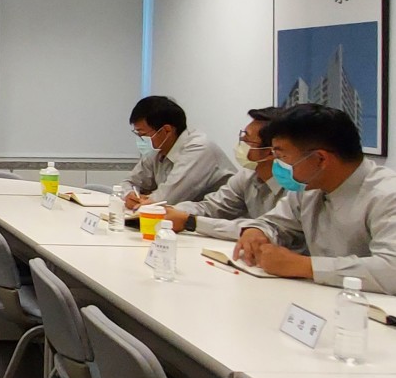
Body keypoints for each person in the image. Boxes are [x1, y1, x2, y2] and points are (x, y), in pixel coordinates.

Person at [235, 104, 396, 293]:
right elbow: (275, 222)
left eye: (281, 156)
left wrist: (304, 266)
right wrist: (256, 231)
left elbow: (390, 269)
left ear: (320, 159)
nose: (276, 164)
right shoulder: (309, 186)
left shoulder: (387, 195)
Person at [162, 106, 284, 239]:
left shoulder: (293, 187)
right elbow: (212, 207)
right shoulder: (247, 176)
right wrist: (172, 211)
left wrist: (191, 222)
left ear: (271, 152)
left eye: (247, 139)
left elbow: (264, 229)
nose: (241, 141)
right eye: (242, 135)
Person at [121, 95, 233, 210]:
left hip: (222, 219)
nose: (141, 139)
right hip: (185, 217)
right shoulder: (158, 150)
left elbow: (167, 199)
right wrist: (129, 195)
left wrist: (147, 200)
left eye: (143, 134)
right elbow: (129, 182)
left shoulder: (199, 148)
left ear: (166, 130)